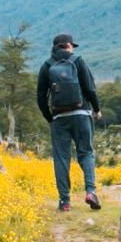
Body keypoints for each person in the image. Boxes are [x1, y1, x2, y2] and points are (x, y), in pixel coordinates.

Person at [36, 33, 103, 212]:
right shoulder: (78, 61)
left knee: (61, 158)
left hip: (59, 118)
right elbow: (90, 88)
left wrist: (50, 117)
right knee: (86, 153)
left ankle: (65, 201)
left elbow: (40, 96)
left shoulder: (46, 66)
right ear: (69, 46)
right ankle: (90, 191)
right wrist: (96, 109)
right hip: (82, 114)